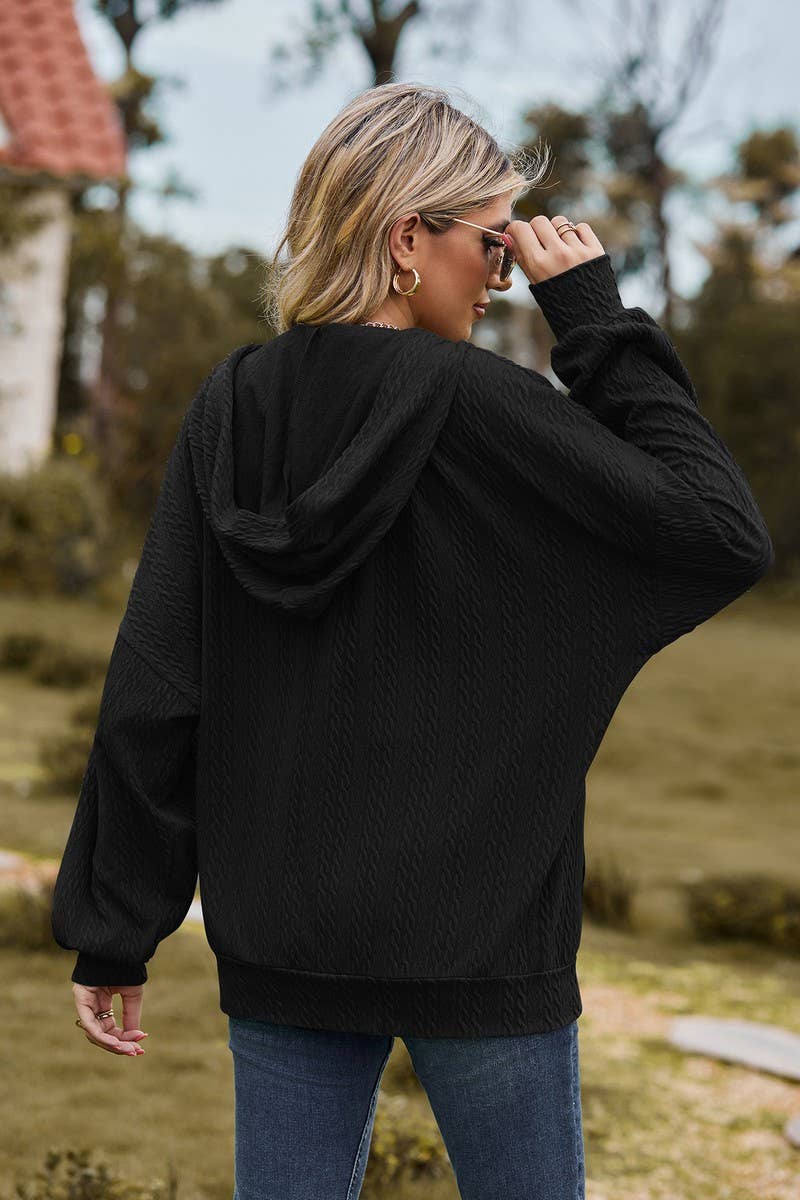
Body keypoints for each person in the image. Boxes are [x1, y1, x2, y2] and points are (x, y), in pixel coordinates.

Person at [51, 81, 774, 1200]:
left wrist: (116, 928)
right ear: (404, 239)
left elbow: (158, 681)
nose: (501, 278)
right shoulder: (484, 407)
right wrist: (591, 318)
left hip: (284, 940)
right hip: (482, 939)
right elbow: (719, 531)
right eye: (494, 245)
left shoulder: (234, 406)